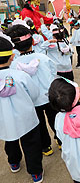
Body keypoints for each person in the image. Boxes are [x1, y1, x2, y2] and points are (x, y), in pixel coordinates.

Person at [7, 24, 60, 155]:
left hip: (30, 101)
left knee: (39, 123)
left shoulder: (14, 65)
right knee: (55, 119)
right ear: (32, 41)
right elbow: (54, 73)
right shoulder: (44, 58)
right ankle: (60, 140)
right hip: (49, 96)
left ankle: (46, 147)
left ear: (14, 46)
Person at [0, 32, 44, 183]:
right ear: (12, 56)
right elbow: (34, 93)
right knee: (31, 144)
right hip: (26, 118)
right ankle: (35, 172)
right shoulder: (20, 75)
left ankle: (14, 162)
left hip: (4, 120)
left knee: (10, 140)